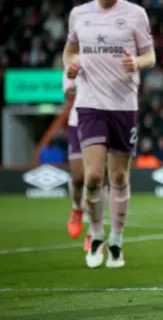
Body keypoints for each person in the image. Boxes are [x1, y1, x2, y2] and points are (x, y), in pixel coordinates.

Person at [63, 0, 156, 268]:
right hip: (90, 104)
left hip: (123, 104)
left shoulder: (135, 14)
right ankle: (97, 233)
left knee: (118, 176)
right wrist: (70, 67)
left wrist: (137, 63)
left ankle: (117, 239)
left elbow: (150, 56)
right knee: (91, 176)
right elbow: (70, 49)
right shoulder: (79, 14)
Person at [63, 74, 93, 252]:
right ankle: (76, 209)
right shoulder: (72, 60)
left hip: (104, 120)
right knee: (78, 177)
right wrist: (73, 86)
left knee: (97, 178)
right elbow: (68, 93)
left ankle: (94, 232)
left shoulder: (107, 54)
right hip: (78, 123)